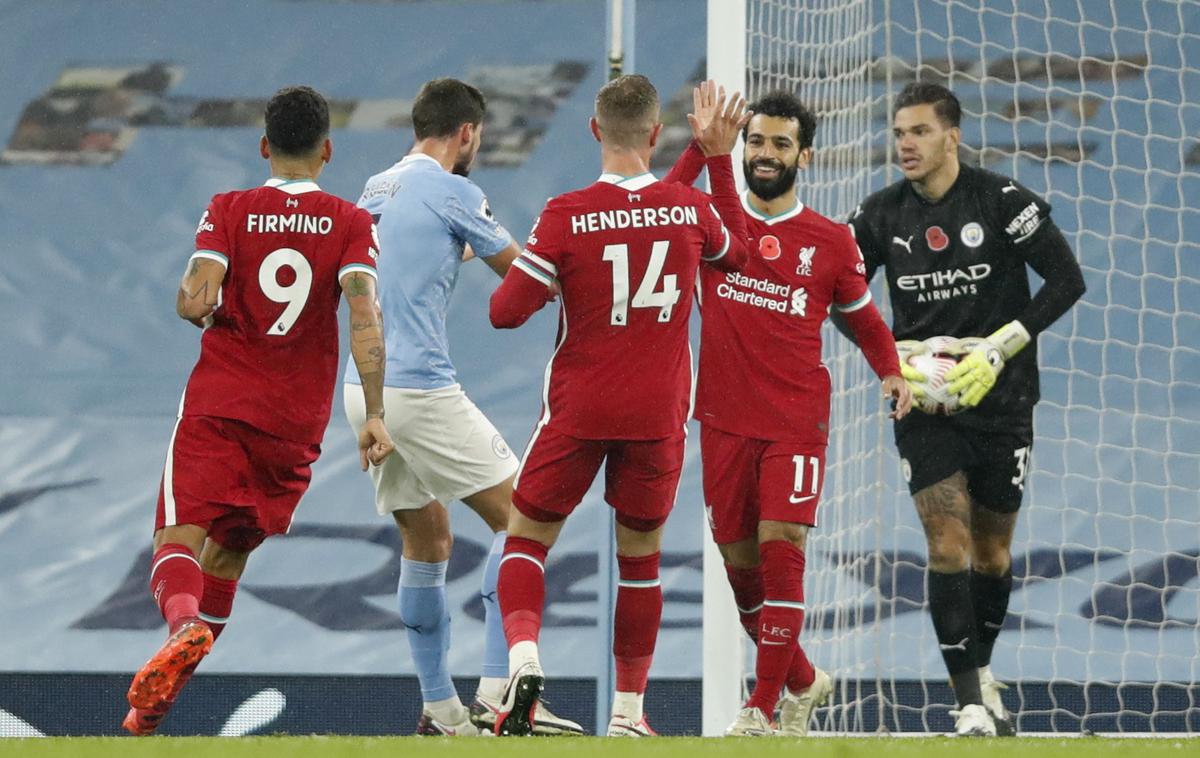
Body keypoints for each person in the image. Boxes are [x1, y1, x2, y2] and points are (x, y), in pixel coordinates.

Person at [123, 85, 395, 735]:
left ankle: (182, 626)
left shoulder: (229, 209)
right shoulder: (353, 224)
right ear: (327, 151)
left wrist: (206, 304)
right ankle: (149, 713)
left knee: (179, 538)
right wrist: (376, 413)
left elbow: (195, 299)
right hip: (294, 421)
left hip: (224, 400)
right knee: (230, 556)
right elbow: (364, 313)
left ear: (265, 146)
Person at [488, 74, 751, 737]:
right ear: (656, 134)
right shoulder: (686, 210)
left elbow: (505, 312)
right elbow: (739, 256)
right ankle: (629, 714)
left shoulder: (565, 213)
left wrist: (547, 275)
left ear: (593, 129)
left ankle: (521, 664)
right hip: (657, 414)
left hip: (579, 407)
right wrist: (716, 160)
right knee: (641, 561)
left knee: (526, 541)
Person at [663, 83, 913, 736]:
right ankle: (803, 679)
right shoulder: (710, 223)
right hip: (721, 420)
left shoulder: (829, 241)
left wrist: (889, 371)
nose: (765, 153)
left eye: (780, 143)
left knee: (784, 551)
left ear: (805, 156)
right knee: (742, 574)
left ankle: (761, 708)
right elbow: (661, 202)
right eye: (755, 141)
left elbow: (861, 318)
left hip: (796, 420)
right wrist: (701, 145)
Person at [845, 81, 1087, 736]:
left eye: (919, 131)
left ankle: (982, 670)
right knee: (946, 546)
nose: (905, 144)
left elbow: (1068, 281)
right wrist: (892, 364)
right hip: (924, 407)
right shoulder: (879, 215)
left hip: (1003, 398)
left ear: (952, 135)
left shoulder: (1002, 202)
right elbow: (840, 296)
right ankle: (969, 703)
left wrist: (1000, 347)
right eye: (898, 132)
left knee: (992, 555)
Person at [343, 78, 582, 737]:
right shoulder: (454, 190)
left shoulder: (375, 189)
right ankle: (500, 691)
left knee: (427, 538)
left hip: (363, 390)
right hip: (420, 387)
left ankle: (442, 711)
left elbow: (406, 259)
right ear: (467, 133)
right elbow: (529, 277)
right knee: (523, 520)